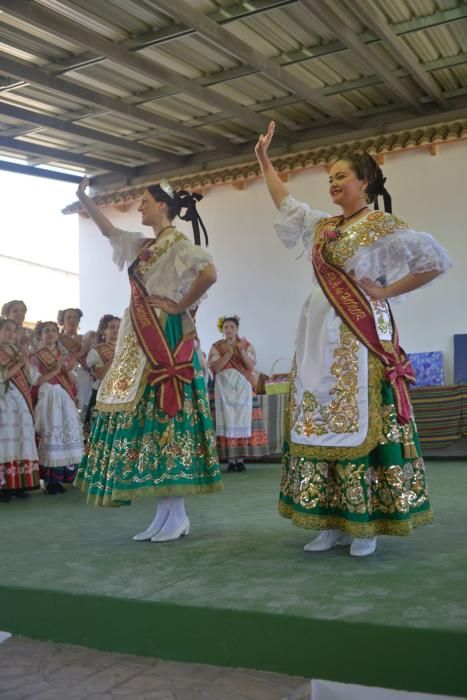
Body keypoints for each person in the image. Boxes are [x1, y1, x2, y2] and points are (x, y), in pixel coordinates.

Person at [255, 121, 452, 557]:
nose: (333, 183)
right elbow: (284, 201)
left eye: (341, 176)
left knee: (359, 421)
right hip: (315, 341)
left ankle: (365, 525)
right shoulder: (322, 227)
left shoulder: (380, 224)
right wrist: (264, 161)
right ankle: (330, 521)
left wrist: (384, 291)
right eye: (330, 178)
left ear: (364, 182)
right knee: (319, 422)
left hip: (358, 339)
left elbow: (433, 262)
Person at [74, 177, 223, 543]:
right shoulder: (143, 246)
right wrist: (83, 198)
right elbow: (109, 230)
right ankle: (164, 513)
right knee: (147, 424)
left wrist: (179, 305)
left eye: (144, 201)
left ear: (162, 205)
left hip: (164, 337)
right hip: (137, 338)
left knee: (165, 420)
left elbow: (209, 273)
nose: (139, 207)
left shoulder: (178, 245)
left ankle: (178, 515)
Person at [208, 316, 269, 471]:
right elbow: (215, 367)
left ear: (237, 329)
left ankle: (240, 459)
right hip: (223, 388)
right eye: (226, 327)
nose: (228, 330)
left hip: (243, 388)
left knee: (242, 420)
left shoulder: (246, 345)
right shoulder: (217, 347)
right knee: (227, 421)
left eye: (231, 327)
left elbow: (250, 366)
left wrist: (240, 350)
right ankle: (230, 461)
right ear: (222, 330)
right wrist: (228, 354)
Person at [30, 321, 84, 495]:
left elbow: (71, 381)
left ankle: (63, 478)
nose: (51, 334)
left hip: (64, 399)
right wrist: (55, 371)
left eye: (54, 331)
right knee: (51, 437)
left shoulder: (63, 355)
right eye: (47, 331)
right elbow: (36, 381)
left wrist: (66, 371)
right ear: (40, 335)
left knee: (65, 436)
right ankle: (49, 481)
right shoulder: (35, 357)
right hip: (48, 399)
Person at [0, 318, 39, 501]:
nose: (11, 334)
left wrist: (24, 361)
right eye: (6, 330)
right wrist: (17, 364)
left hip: (20, 402)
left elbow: (31, 378)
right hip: (4, 403)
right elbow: (2, 377)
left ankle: (19, 484)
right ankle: (4, 486)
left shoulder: (16, 351)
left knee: (21, 440)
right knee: (5, 443)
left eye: (13, 331)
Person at [83, 314, 120, 434]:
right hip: (103, 394)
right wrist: (113, 358)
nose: (116, 330)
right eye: (111, 327)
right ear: (104, 331)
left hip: (124, 395)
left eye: (119, 327)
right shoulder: (96, 351)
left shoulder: (128, 349)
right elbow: (98, 375)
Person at [57, 308, 93, 414]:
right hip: (65, 377)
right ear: (62, 320)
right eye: (68, 317)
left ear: (79, 320)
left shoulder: (85, 339)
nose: (72, 320)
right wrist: (82, 351)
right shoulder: (57, 339)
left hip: (85, 379)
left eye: (75, 317)